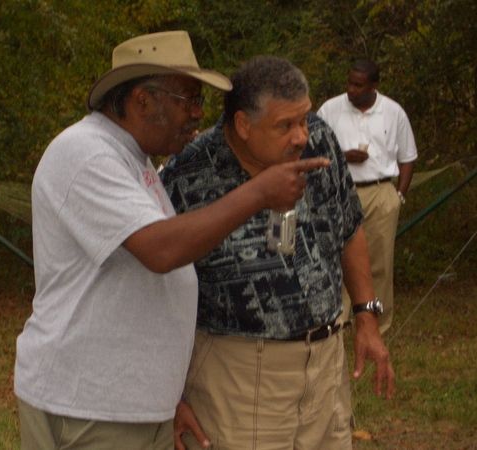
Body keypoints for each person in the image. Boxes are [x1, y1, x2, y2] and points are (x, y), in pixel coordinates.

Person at [14, 32, 329, 450]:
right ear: (143, 100)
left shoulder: (134, 161)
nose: (198, 113)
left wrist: (167, 397)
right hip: (90, 407)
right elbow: (162, 250)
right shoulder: (86, 153)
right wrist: (259, 193)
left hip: (128, 406)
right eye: (189, 100)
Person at [161, 56, 395, 450]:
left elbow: (349, 226)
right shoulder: (189, 175)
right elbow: (159, 290)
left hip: (325, 366)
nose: (301, 136)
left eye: (303, 119)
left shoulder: (319, 139)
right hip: (238, 378)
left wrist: (366, 316)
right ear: (243, 125)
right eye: (285, 125)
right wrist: (170, 394)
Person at [317, 59, 417, 333]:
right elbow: (313, 150)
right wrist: (343, 156)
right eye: (349, 82)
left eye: (358, 85)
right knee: (337, 256)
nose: (351, 89)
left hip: (380, 192)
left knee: (380, 261)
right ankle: (338, 320)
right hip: (340, 191)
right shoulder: (330, 109)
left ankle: (378, 323)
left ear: (374, 86)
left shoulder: (393, 112)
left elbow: (408, 157)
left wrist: (399, 195)